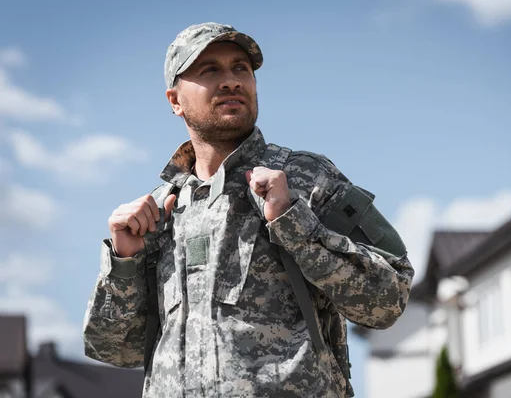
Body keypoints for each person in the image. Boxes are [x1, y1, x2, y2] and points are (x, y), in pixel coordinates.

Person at [83, 22, 414, 398]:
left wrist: (293, 223)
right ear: (175, 100)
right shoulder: (158, 213)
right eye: (210, 70)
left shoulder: (306, 179)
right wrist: (124, 261)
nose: (231, 81)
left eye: (241, 68)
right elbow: (113, 349)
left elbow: (388, 301)